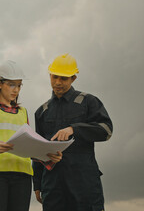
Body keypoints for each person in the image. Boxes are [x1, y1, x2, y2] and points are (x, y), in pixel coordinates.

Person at [0, 60, 62, 211]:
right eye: (11, 85)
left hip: (22, 176)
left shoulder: (23, 112)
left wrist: (47, 155)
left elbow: (28, 148)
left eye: (19, 85)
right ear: (0, 84)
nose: (16, 90)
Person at [33, 53, 113, 211]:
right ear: (50, 75)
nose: (58, 82)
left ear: (73, 79)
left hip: (83, 182)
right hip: (53, 185)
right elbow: (37, 150)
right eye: (54, 77)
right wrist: (37, 184)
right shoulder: (42, 111)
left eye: (63, 78)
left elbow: (106, 130)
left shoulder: (88, 102)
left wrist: (74, 129)